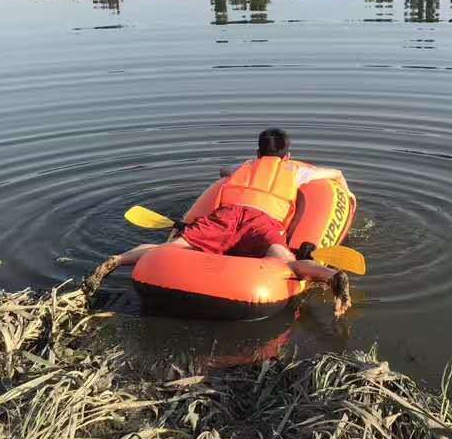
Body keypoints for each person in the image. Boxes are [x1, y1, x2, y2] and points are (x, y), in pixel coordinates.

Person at [83, 127, 353, 316]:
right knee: (286, 262)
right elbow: (336, 174)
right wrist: (347, 192)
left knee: (173, 247)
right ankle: (331, 277)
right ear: (287, 155)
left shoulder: (244, 166)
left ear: (258, 153)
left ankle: (118, 260)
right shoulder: (296, 170)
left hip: (226, 215)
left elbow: (224, 173)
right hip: (261, 223)